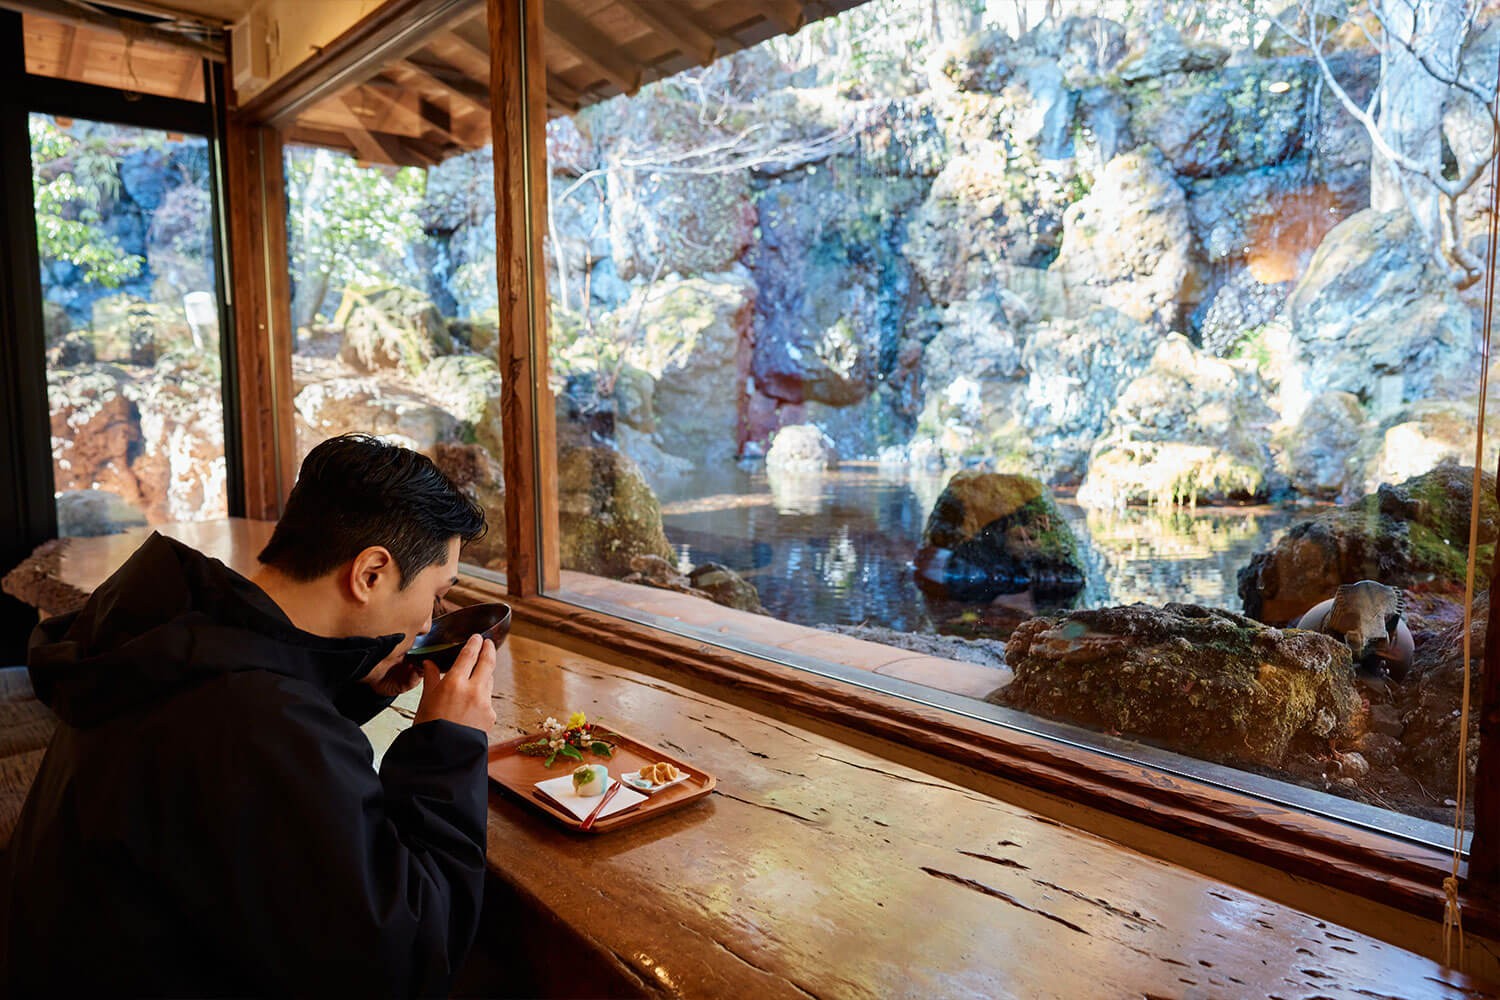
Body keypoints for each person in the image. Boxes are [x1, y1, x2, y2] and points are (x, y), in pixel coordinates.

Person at [2, 434, 497, 997]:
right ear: (370, 574)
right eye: (436, 594)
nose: (432, 620)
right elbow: (406, 962)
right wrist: (448, 748)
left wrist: (349, 687)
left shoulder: (169, 634)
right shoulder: (262, 727)